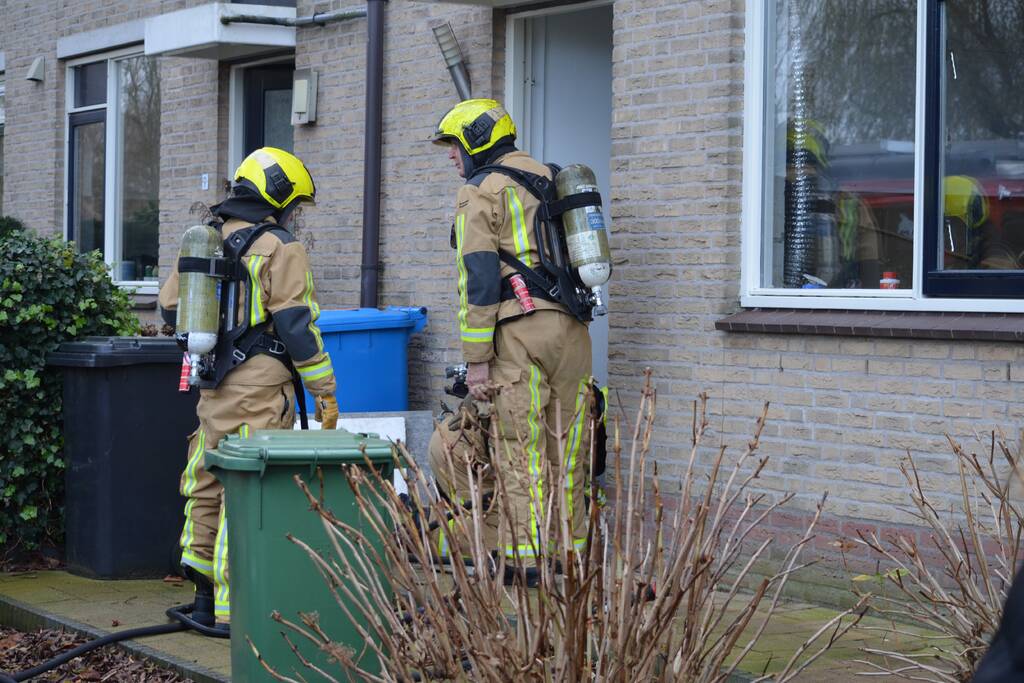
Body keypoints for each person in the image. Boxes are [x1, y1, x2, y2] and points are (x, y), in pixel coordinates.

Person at [158, 147, 339, 628]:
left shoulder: (206, 240)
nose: (292, 215)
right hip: (260, 385)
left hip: (213, 380)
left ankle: (201, 592)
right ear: (279, 196)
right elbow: (297, 325)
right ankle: (232, 610)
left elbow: (170, 308)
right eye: (292, 205)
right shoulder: (281, 246)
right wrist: (324, 387)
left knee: (208, 480)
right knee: (245, 489)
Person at [427, 99, 594, 566]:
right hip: (573, 331)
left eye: (454, 146)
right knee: (570, 448)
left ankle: (524, 563)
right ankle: (571, 558)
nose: (450, 156)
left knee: (521, 450)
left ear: (477, 142)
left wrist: (477, 356)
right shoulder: (551, 177)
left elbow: (477, 278)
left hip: (519, 332)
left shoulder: (480, 191)